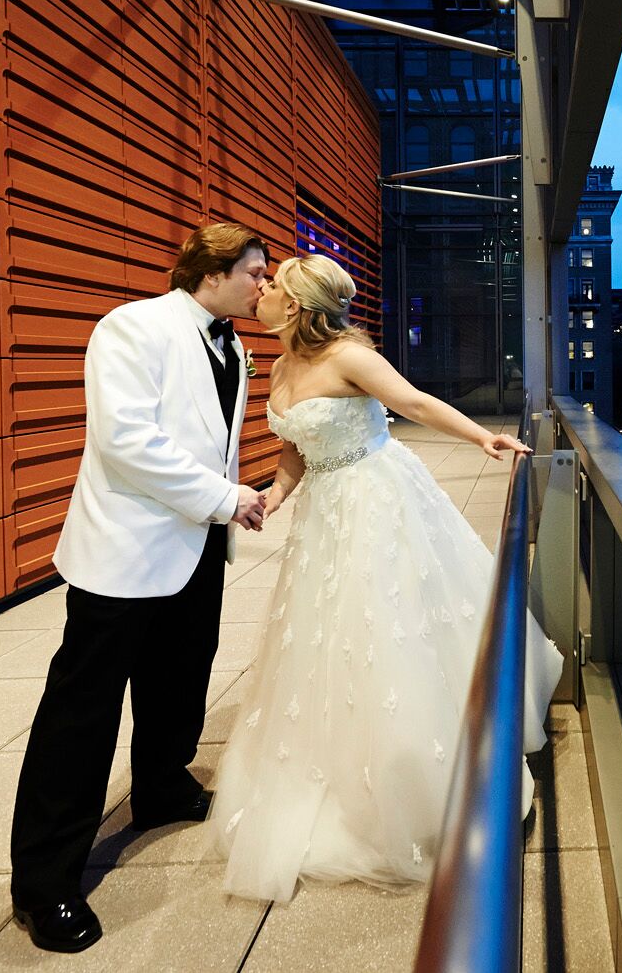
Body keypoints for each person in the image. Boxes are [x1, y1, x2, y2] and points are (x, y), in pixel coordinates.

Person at [209, 254, 563, 903]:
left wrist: (481, 440)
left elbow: (413, 401)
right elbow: (295, 451)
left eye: (272, 286)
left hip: (377, 498)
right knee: (325, 637)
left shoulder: (348, 355)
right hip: (325, 512)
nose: (259, 292)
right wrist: (273, 499)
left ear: (295, 306)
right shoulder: (284, 365)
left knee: (387, 626)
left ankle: (419, 775)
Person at [8, 223, 270, 952]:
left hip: (192, 550)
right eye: (254, 271)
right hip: (125, 554)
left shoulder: (235, 344)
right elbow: (127, 442)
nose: (263, 285)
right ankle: (43, 883)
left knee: (180, 680)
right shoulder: (131, 327)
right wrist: (225, 499)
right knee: (80, 714)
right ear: (211, 271)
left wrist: (217, 510)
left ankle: (160, 784)